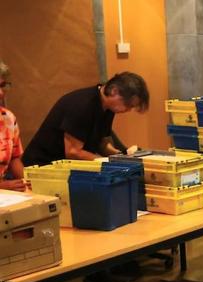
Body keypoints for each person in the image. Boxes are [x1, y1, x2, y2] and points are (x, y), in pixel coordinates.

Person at [22, 72, 149, 166]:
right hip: (41, 166)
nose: (128, 110)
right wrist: (106, 162)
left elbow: (102, 143)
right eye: (128, 105)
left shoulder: (108, 108)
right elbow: (73, 151)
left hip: (63, 166)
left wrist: (121, 156)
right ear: (114, 91)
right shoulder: (82, 104)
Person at [0, 59, 25, 191]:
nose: (1, 93)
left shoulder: (8, 118)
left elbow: (15, 158)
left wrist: (27, 183)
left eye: (2, 85)